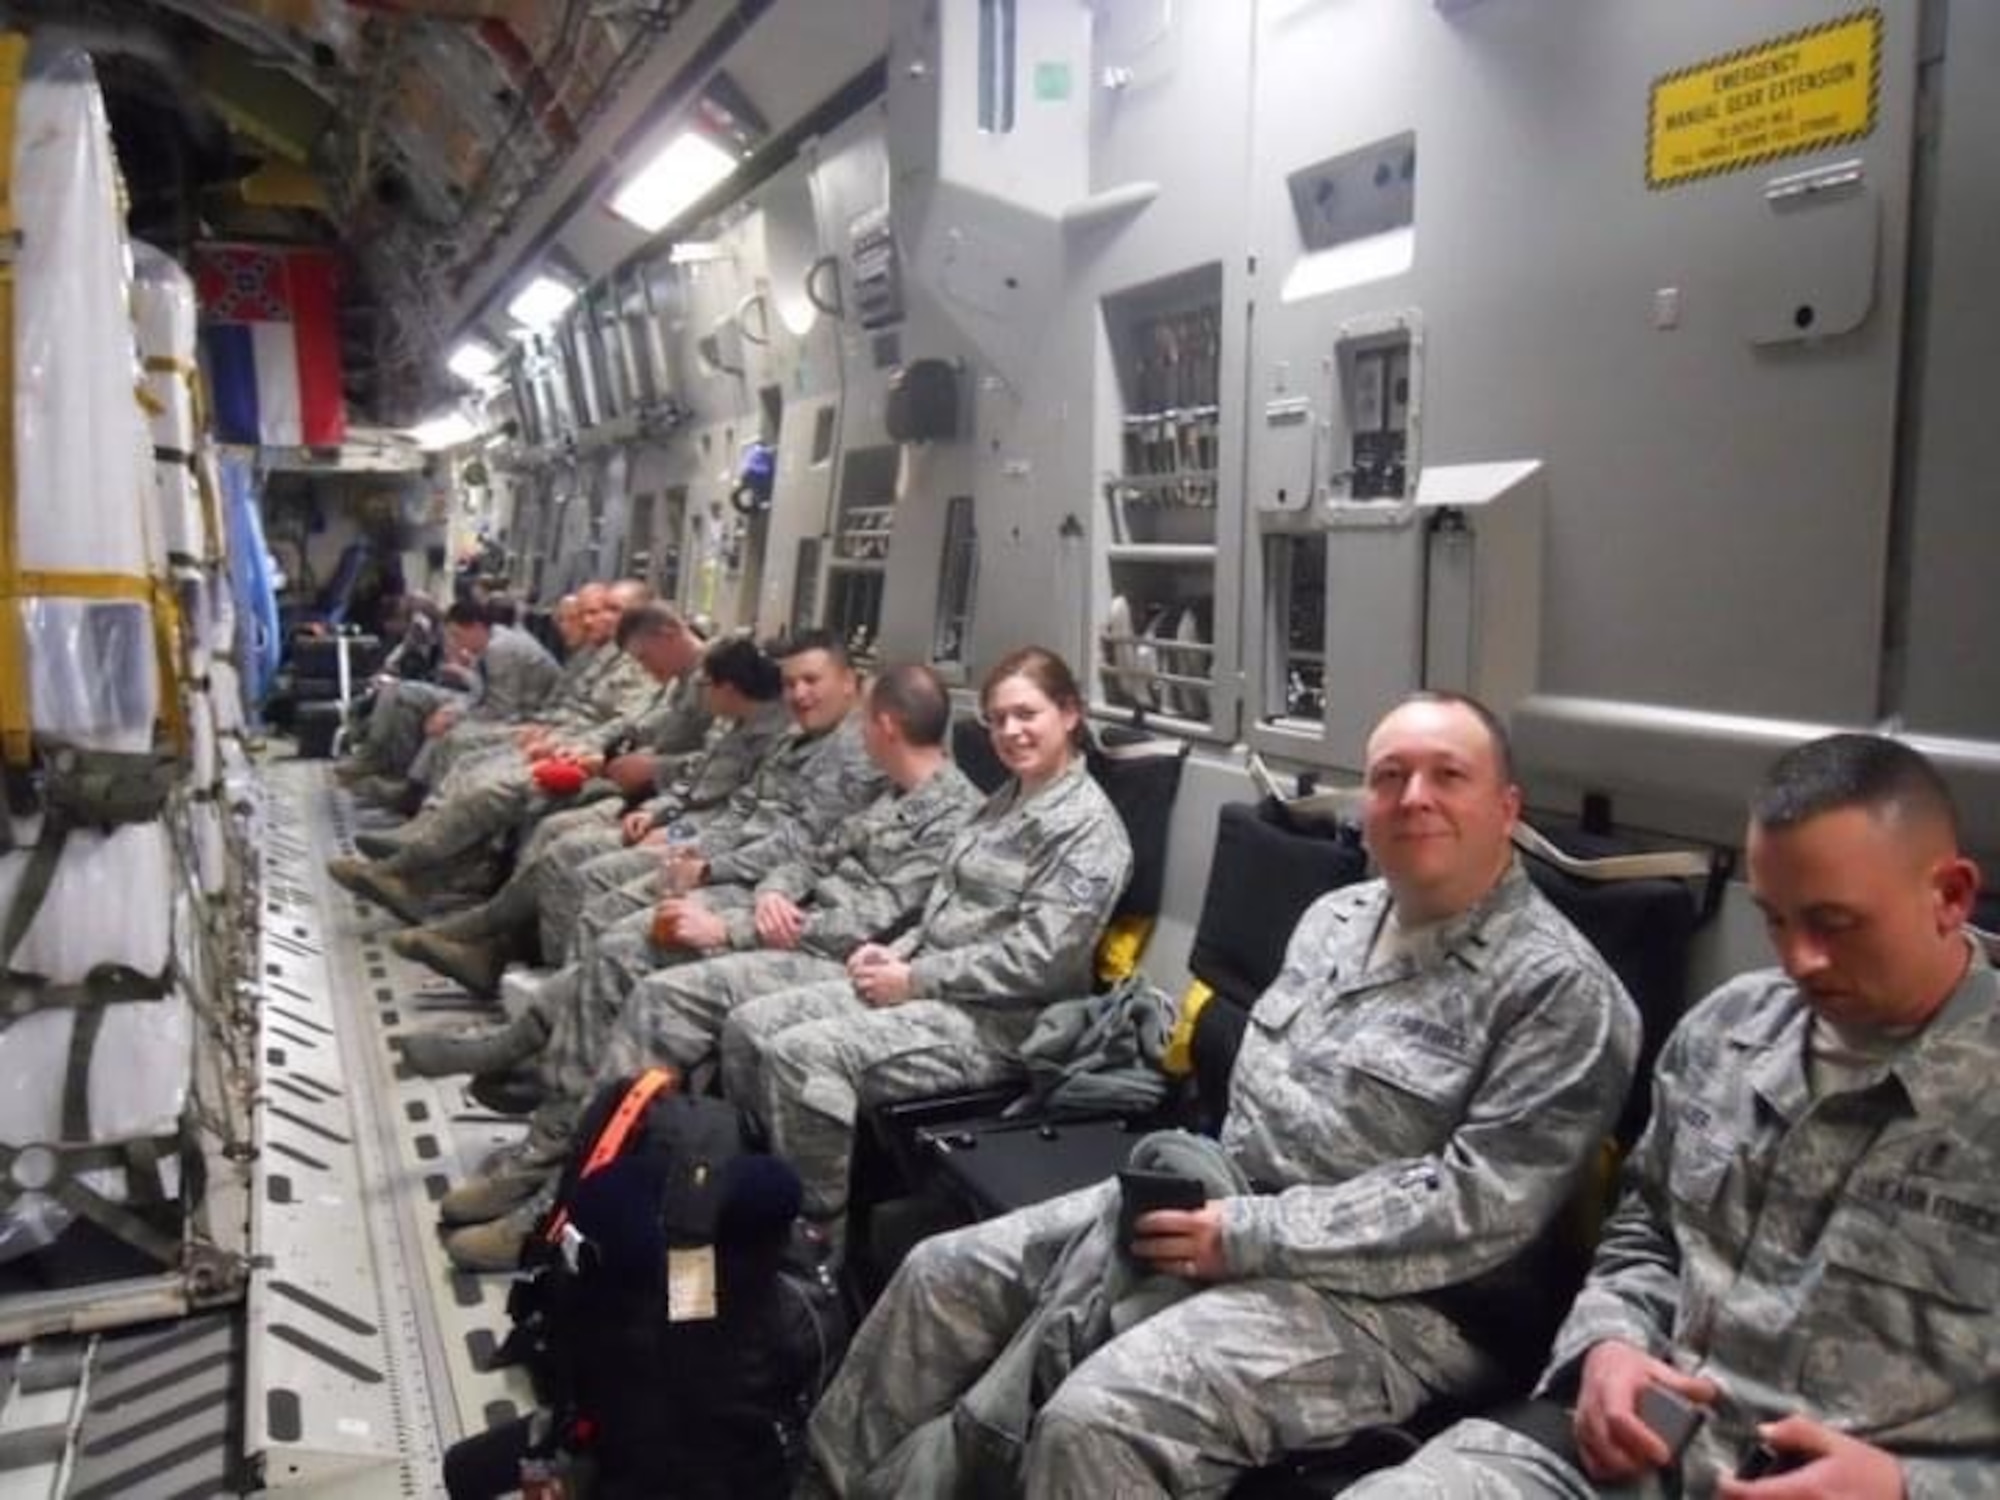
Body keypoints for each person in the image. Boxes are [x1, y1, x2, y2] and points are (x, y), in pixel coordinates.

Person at [802, 690, 1641, 1497]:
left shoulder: (1561, 995)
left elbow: (1475, 1210)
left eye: (1448, 775)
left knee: (1098, 1421)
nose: (1413, 797)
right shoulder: (1337, 920)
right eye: (1389, 776)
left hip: (1400, 1303)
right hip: (1222, 1210)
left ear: (1507, 806)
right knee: (941, 1274)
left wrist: (1247, 1236)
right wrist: (1207, 1212)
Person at [1341, 732, 1995, 1500]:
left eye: (1837, 923)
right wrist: (1608, 1346)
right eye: (1776, 921)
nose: (1801, 960)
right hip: (1627, 1456)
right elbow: (1646, 1230)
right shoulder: (1727, 1033)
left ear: (1950, 895)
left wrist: (1906, 1487)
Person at [433, 664, 986, 1271]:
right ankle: (554, 1146)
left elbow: (878, 918)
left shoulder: (955, 815)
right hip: (787, 925)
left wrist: (736, 926)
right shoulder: (888, 793)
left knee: (663, 1002)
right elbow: (808, 855)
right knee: (625, 947)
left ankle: (565, 1202)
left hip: (834, 957)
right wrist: (773, 892)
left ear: (883, 724)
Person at [709, 647, 1137, 1241]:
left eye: (1026, 714)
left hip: (1002, 1026)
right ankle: (759, 1208)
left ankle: (814, 1250)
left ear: (1069, 714)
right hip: (930, 989)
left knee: (803, 1055)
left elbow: (1038, 961)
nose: (1010, 731)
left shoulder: (1086, 830)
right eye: (996, 719)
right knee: (748, 1026)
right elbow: (945, 904)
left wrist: (916, 977)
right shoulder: (1007, 800)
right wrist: (898, 952)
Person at [387, 634, 792, 995]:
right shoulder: (734, 724)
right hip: (669, 814)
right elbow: (696, 778)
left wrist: (676, 833)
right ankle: (489, 934)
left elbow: (730, 809)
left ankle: (540, 975)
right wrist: (654, 814)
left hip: (702, 842)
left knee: (579, 860)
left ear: (730, 687)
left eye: (706, 686)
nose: (700, 695)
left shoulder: (771, 736)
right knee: (558, 836)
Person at [327, 601, 703, 921]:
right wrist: (586, 748)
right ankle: (414, 871)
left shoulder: (713, 679)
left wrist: (653, 774)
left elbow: (717, 766)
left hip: (660, 797)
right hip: (621, 772)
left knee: (522, 799)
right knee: (494, 775)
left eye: (646, 657)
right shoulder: (676, 678)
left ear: (668, 633)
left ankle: (450, 900)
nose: (644, 666)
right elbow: (633, 726)